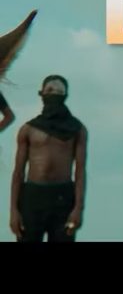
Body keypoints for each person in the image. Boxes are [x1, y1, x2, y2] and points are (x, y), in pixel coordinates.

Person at [9, 75, 88, 242]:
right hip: (32, 197)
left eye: (59, 91)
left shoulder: (77, 129)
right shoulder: (28, 129)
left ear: (65, 96)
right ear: (42, 94)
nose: (54, 94)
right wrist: (14, 211)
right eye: (50, 90)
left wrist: (78, 209)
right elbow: (18, 173)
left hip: (63, 197)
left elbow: (80, 172)